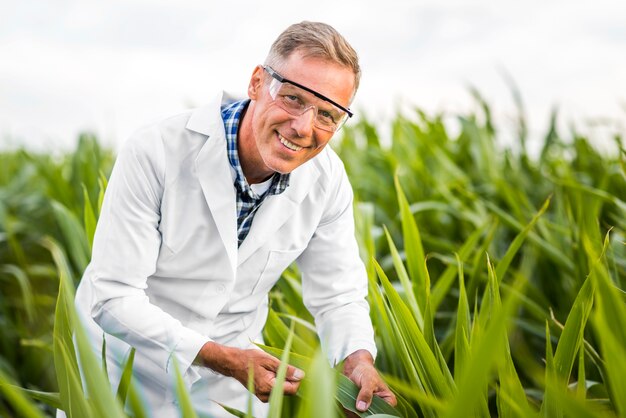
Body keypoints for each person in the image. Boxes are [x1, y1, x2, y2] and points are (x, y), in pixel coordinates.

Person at [72, 21, 396, 417]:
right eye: (293, 98)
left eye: (328, 115)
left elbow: (339, 295)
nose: (303, 126)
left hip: (229, 389)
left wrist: (356, 360)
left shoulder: (326, 181)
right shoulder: (155, 151)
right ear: (258, 82)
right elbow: (112, 295)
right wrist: (221, 357)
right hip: (125, 369)